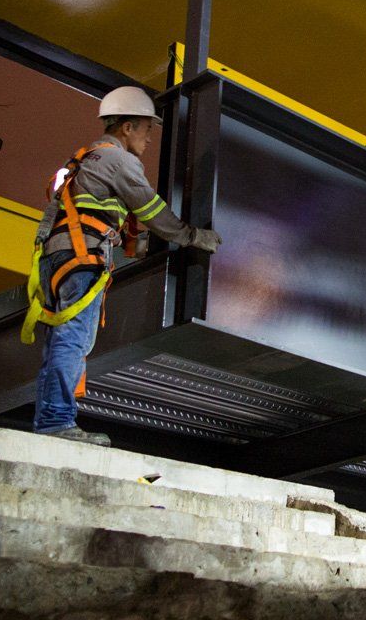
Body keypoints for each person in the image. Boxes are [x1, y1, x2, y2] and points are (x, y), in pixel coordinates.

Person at [25, 86, 220, 446]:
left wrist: (136, 245)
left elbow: (94, 216)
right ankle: (56, 424)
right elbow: (152, 211)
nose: (150, 137)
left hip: (57, 260)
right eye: (147, 128)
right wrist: (192, 236)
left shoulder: (84, 160)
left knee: (60, 343)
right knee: (73, 340)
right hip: (81, 260)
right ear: (127, 127)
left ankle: (49, 421)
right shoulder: (119, 161)